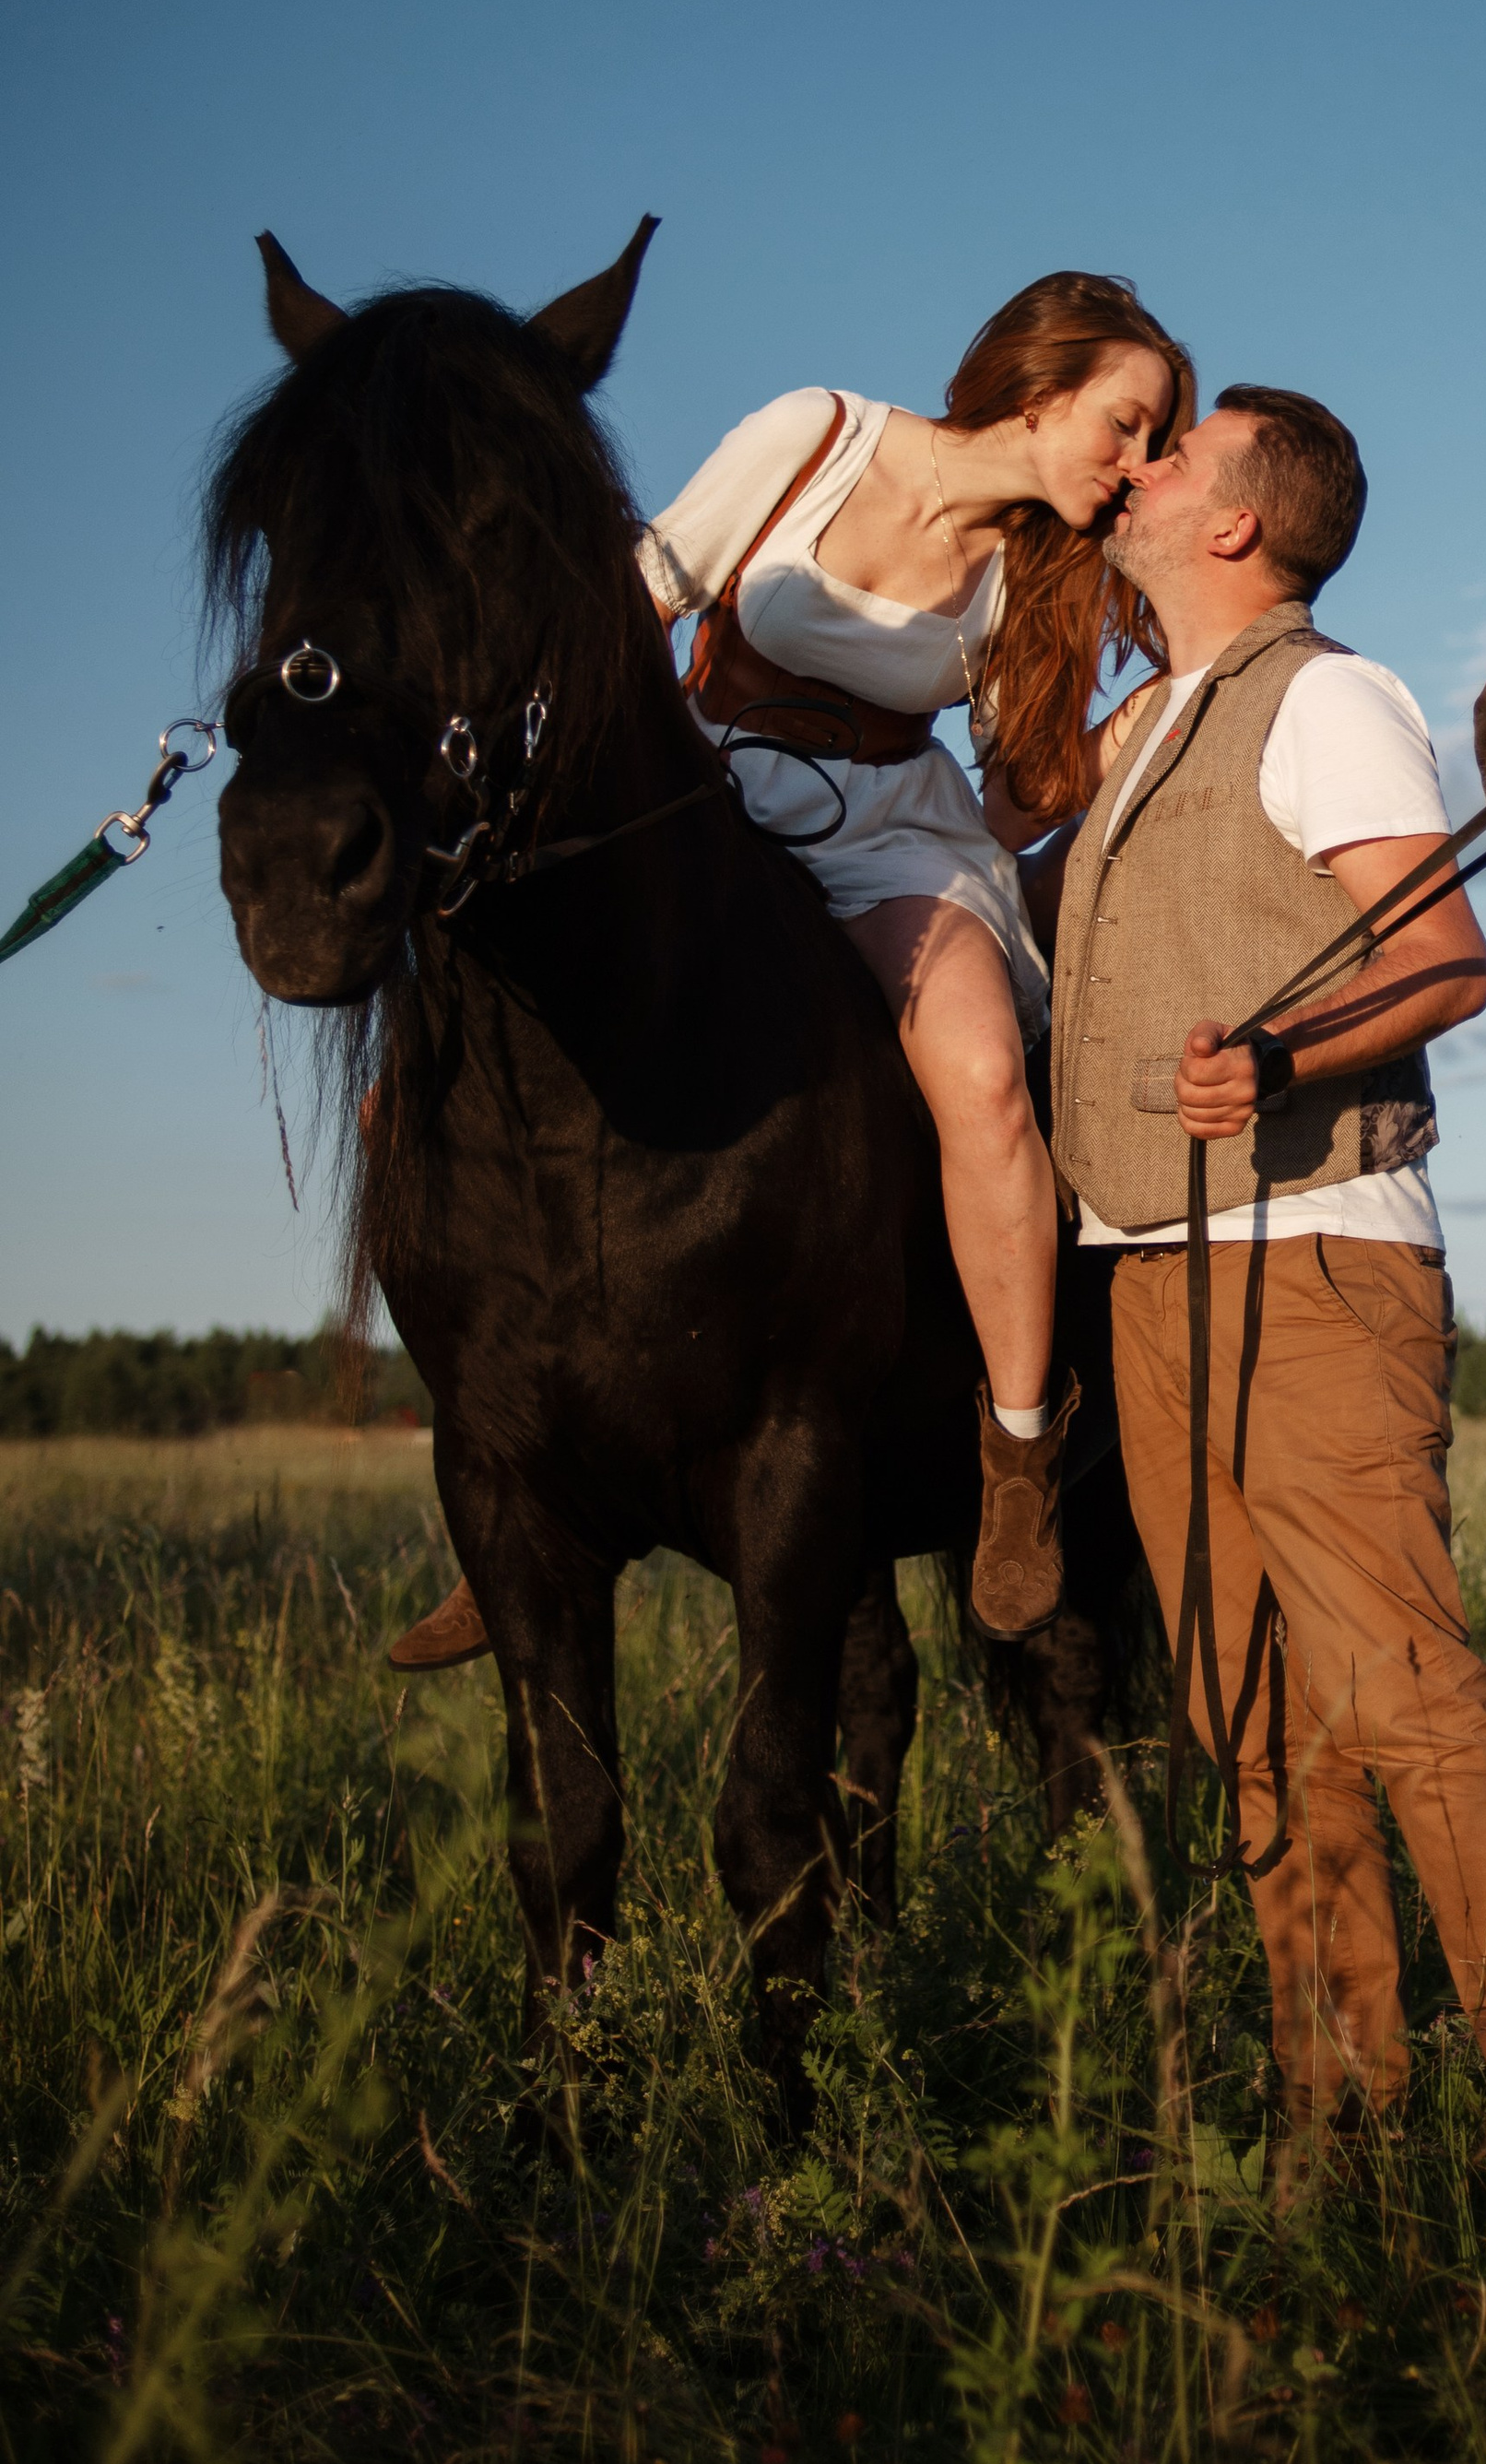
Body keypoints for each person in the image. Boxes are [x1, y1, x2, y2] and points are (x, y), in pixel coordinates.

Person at [388, 271, 1195, 1671]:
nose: (1135, 462)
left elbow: (1016, 799)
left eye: (1155, 439)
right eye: (1125, 423)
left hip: (891, 837)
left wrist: (1133, 729)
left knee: (984, 1079)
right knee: (426, 1081)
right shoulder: (814, 434)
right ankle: (509, 1474)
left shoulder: (1039, 573)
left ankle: (1016, 1461)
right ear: (1040, 389)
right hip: (702, 797)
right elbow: (638, 599)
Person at [1047, 384, 1486, 2182]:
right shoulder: (1141, 724)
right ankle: (1342, 2126)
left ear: (1235, 522)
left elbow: (1445, 955)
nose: (1137, 470)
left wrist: (1281, 1055)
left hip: (1313, 1259)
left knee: (1403, 1695)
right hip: (1150, 1270)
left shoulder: (1326, 699)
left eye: (1173, 453)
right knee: (1246, 1719)